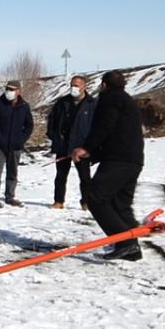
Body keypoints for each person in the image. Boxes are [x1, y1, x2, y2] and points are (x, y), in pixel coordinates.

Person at [72, 70, 145, 261]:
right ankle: (132, 248)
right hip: (133, 160)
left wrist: (86, 147)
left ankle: (126, 243)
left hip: (118, 160)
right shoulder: (127, 100)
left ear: (104, 85)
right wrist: (93, 153)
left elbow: (105, 126)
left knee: (95, 198)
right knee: (120, 205)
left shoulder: (110, 100)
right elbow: (118, 132)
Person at [0, 80, 34, 207]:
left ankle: (10, 197)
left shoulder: (24, 106)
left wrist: (21, 139)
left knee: (12, 173)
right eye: (7, 89)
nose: (9, 92)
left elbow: (29, 125)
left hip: (15, 146)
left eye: (12, 89)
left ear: (18, 91)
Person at [48, 75, 93, 210]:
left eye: (77, 85)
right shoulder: (63, 102)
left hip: (81, 147)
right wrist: (54, 136)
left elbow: (97, 126)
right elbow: (52, 120)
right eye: (72, 85)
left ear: (84, 87)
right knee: (61, 176)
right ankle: (58, 201)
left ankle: (86, 202)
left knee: (85, 177)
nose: (74, 88)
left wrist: (90, 145)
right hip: (63, 145)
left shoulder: (92, 104)